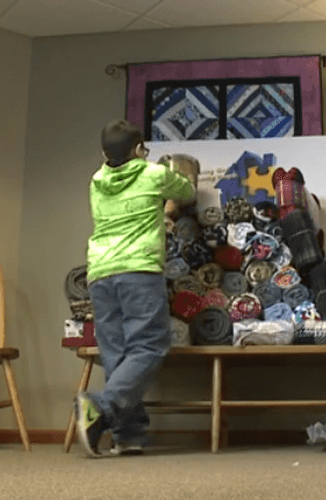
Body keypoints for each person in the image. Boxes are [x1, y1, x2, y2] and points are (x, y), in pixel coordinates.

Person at [75, 119, 196, 457]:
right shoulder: (153, 175)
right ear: (139, 150)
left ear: (103, 153)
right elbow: (185, 191)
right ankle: (100, 404)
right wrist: (168, 200)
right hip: (138, 269)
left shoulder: (96, 181)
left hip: (99, 272)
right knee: (149, 345)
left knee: (116, 353)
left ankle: (127, 435)